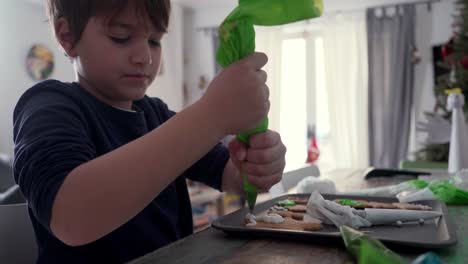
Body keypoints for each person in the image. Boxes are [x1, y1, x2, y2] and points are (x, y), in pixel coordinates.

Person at [12, 0, 286, 263]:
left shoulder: (155, 113)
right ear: (68, 36)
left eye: (155, 41)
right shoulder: (47, 105)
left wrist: (257, 165)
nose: (144, 57)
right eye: (120, 36)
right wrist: (211, 115)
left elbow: (230, 175)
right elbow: (71, 217)